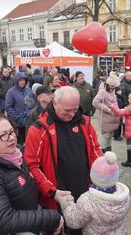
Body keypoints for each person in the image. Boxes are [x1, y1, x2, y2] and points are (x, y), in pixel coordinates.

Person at [0, 113, 63, 235]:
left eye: (12, 132)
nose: (11, 138)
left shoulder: (17, 153)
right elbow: (2, 220)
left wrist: (53, 193)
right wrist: (51, 217)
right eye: (3, 136)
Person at [24, 86, 102, 235]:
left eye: (75, 109)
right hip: (55, 199)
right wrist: (52, 192)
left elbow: (95, 150)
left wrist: (104, 174)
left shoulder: (84, 122)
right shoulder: (39, 129)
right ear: (55, 103)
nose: (72, 114)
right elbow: (31, 166)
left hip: (84, 195)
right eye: (67, 110)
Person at [57, 152, 130, 235]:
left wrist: (67, 202)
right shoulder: (125, 197)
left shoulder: (88, 200)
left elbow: (73, 222)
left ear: (92, 176)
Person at [92, 75, 120, 154]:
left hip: (113, 119)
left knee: (110, 137)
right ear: (107, 84)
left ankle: (109, 154)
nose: (113, 87)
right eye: (111, 86)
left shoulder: (113, 91)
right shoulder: (102, 91)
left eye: (114, 86)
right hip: (106, 119)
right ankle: (102, 154)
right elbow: (95, 102)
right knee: (105, 137)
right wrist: (107, 109)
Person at [5, 72, 32, 144]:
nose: (23, 82)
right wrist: (17, 118)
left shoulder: (28, 90)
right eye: (21, 80)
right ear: (16, 81)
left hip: (28, 121)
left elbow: (32, 104)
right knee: (18, 142)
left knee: (27, 141)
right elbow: (8, 107)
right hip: (17, 123)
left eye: (24, 80)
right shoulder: (11, 92)